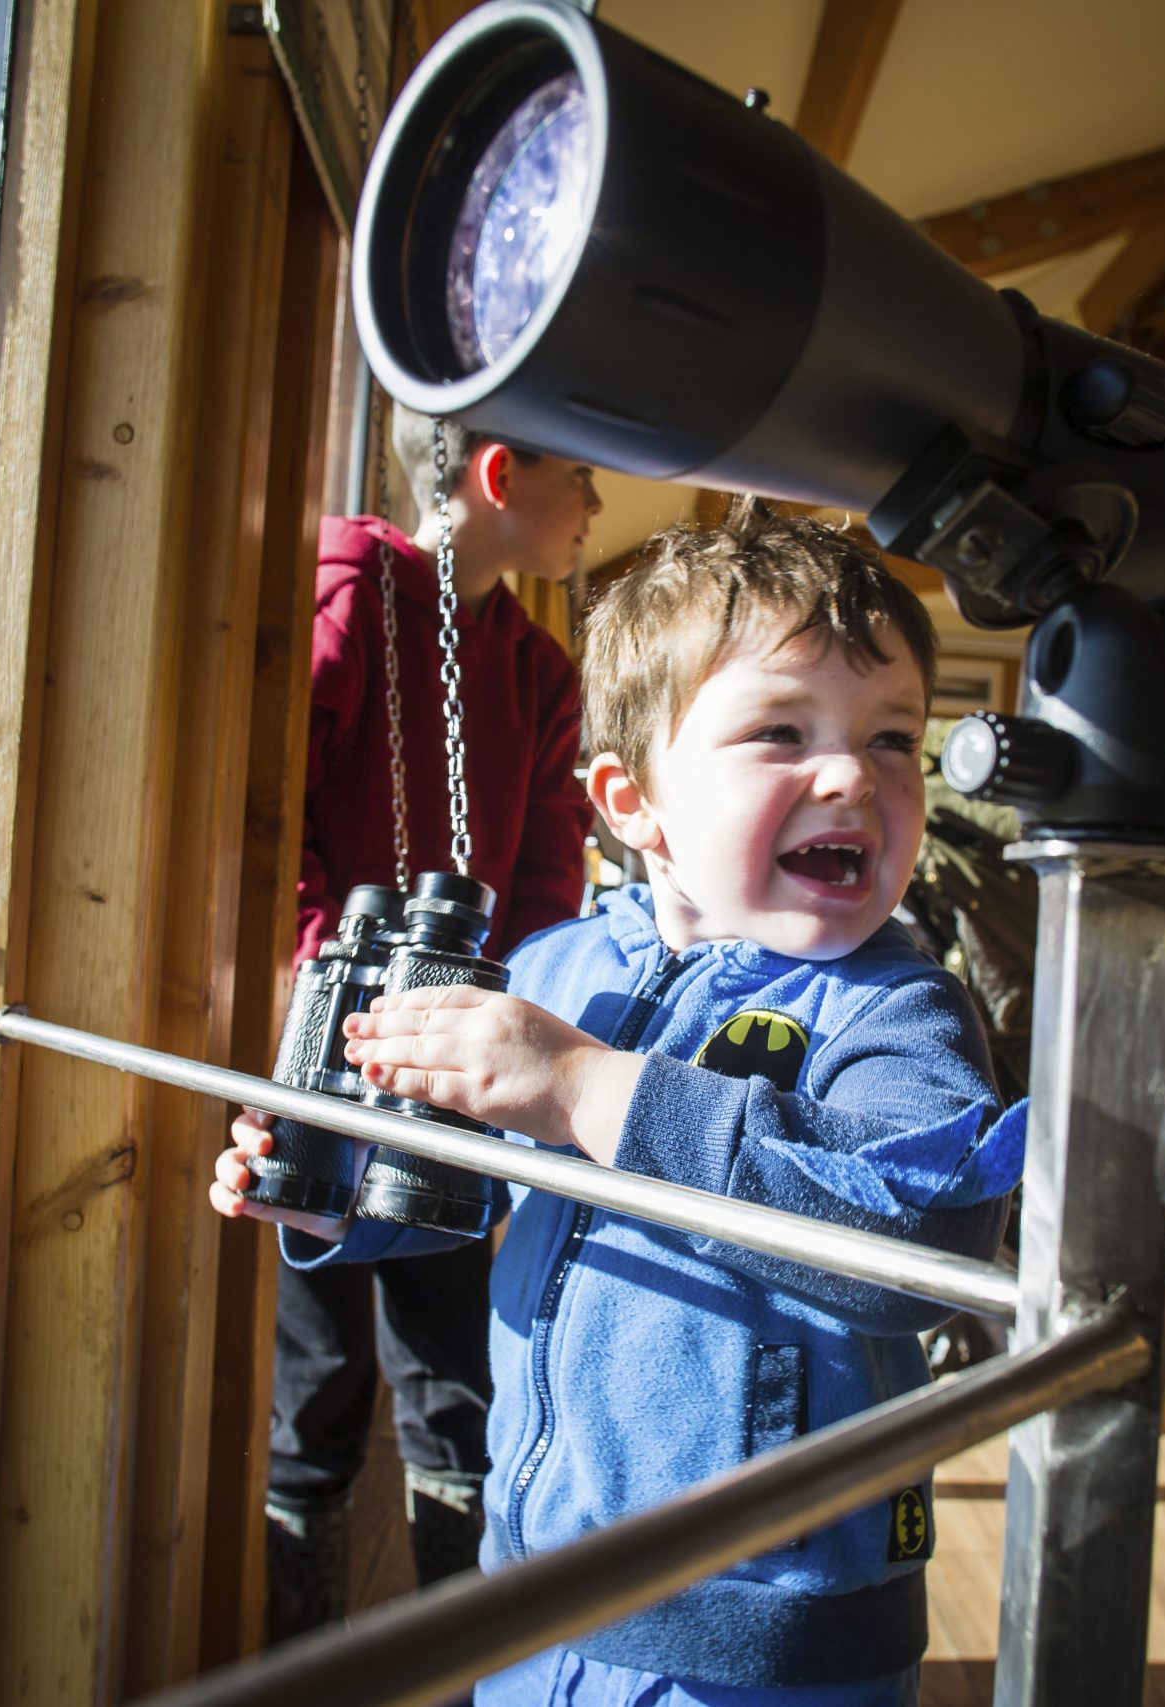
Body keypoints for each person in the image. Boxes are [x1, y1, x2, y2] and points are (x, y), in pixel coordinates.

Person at [216, 501, 1019, 1705]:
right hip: (531, 1600)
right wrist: (333, 1201)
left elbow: (923, 1253)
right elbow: (448, 1180)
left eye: (893, 738)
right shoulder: (558, 969)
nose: (852, 773)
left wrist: (595, 1091)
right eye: (779, 731)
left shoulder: (895, 1011)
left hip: (761, 1654)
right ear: (632, 802)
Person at [267, 405, 600, 1635]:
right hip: (320, 1042)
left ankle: (453, 1655)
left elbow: (549, 886)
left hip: (455, 1066)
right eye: (582, 476)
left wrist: (481, 1018)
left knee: (453, 1366)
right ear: (500, 474)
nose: (595, 507)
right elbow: (275, 817)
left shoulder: (538, 671)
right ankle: (298, 1644)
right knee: (315, 1378)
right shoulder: (350, 588)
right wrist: (334, 980)